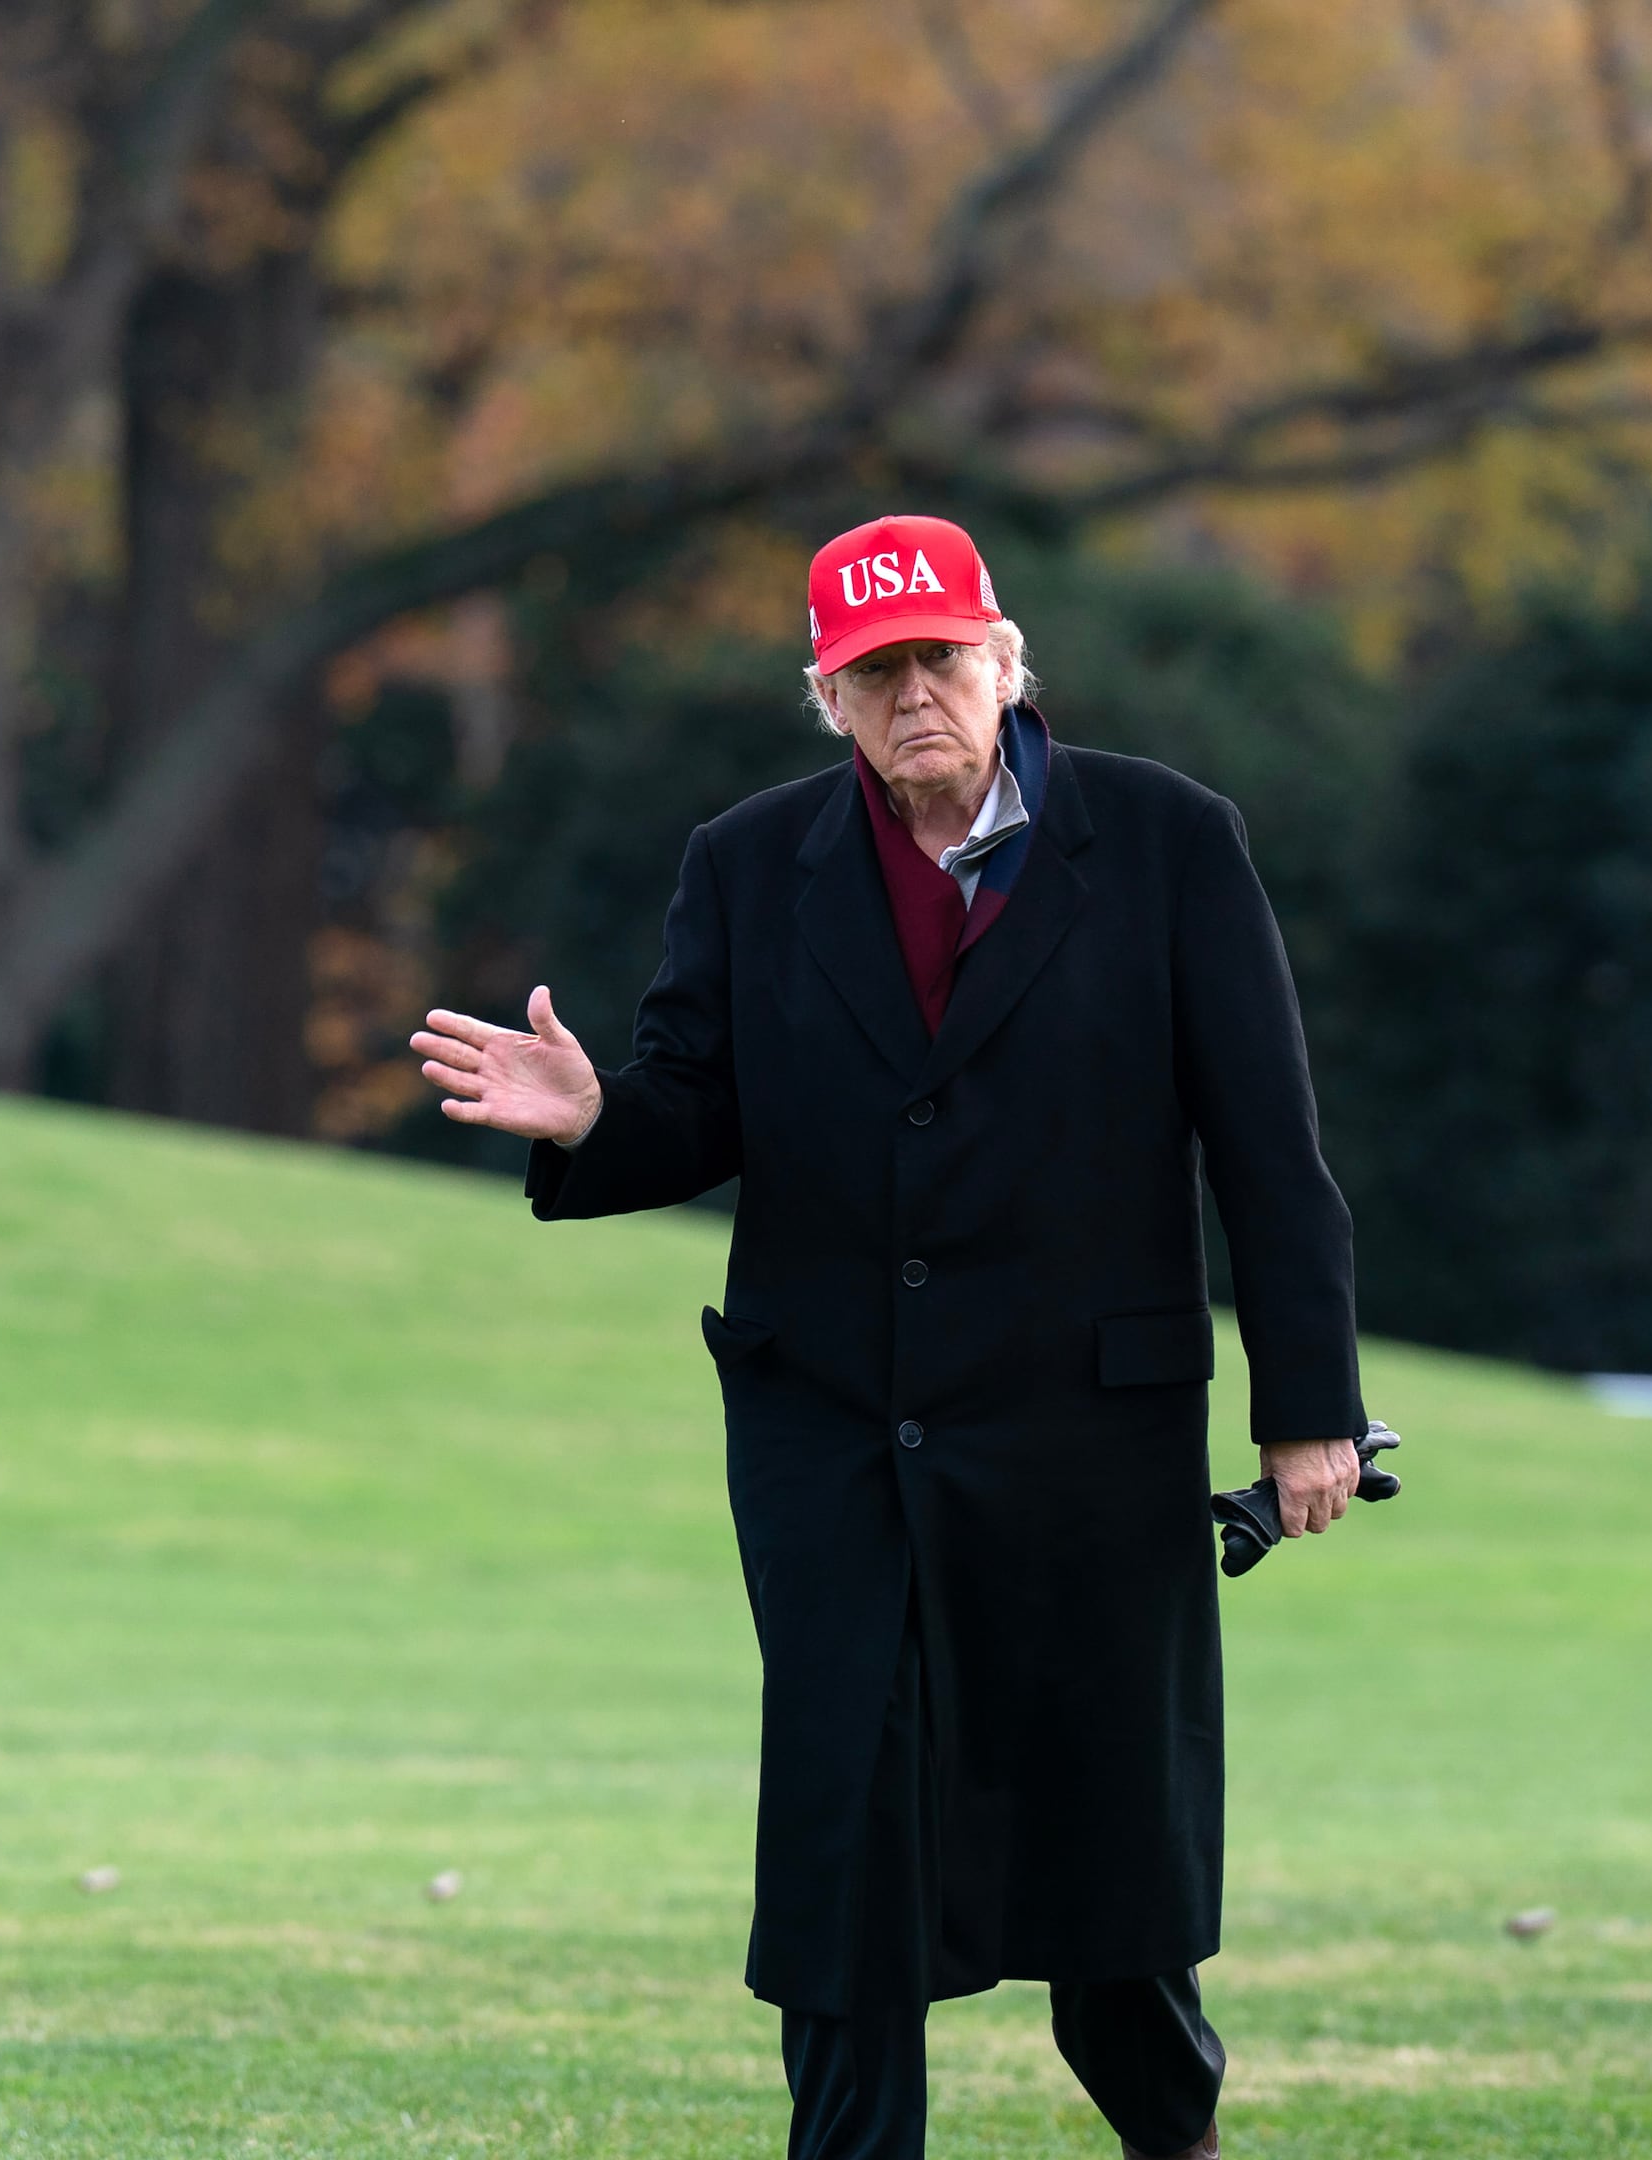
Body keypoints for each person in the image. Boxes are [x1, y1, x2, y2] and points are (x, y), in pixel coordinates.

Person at [411, 513, 1367, 2160]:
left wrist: (1309, 1408)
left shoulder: (1166, 842)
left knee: (1106, 1854)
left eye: (939, 656)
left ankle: (1174, 2135)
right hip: (832, 1433)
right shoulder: (750, 862)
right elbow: (697, 1110)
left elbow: (1267, 1146)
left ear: (1004, 657)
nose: (915, 693)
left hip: (1090, 1431)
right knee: (849, 1832)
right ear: (827, 697)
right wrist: (589, 1120)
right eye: (875, 673)